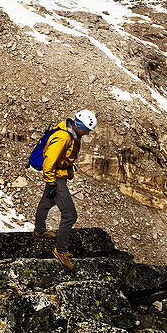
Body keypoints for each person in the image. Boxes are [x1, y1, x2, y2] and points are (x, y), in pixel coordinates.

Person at [32, 109, 97, 270]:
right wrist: (52, 183)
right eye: (87, 130)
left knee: (46, 203)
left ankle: (39, 231)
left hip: (58, 176)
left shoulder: (72, 134)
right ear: (80, 126)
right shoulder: (63, 138)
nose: (88, 133)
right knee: (69, 214)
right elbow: (49, 161)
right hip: (57, 178)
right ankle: (60, 250)